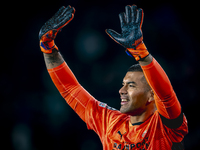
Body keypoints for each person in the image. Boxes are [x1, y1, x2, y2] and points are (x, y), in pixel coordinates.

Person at [39, 5, 188, 150]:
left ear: (151, 95)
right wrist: (48, 49)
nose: (121, 90)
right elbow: (71, 89)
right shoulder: (109, 122)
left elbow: (166, 95)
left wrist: (141, 53)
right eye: (123, 84)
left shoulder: (165, 126)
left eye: (131, 85)